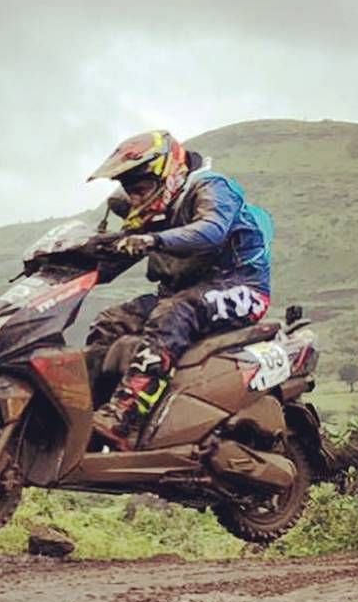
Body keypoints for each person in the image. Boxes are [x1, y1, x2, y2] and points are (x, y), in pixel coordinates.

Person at [86, 130, 273, 449]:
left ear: (166, 172)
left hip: (241, 288)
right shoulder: (152, 209)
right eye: (129, 190)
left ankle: (125, 415)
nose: (134, 198)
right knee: (111, 321)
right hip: (180, 293)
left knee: (173, 312)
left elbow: (211, 231)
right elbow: (114, 260)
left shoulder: (211, 186)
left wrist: (155, 239)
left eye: (140, 188)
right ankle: (86, 414)